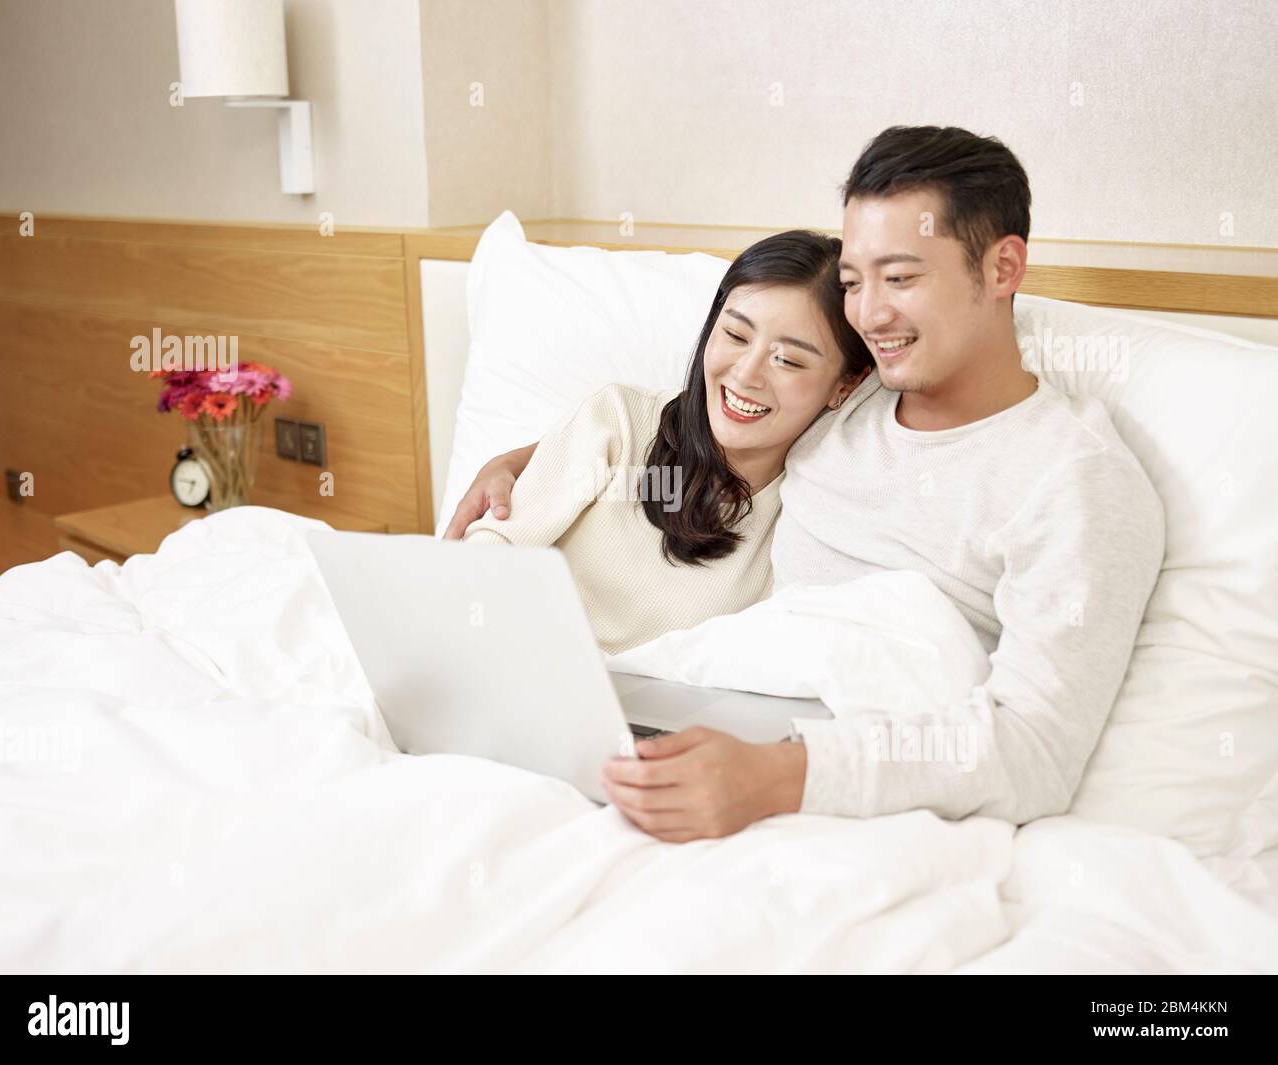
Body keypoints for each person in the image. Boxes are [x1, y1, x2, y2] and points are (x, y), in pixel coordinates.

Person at [447, 126, 1166, 845]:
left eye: (903, 278)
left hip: (841, 782)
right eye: (855, 281)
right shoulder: (852, 397)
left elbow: (1035, 752)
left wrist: (777, 776)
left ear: (1003, 266)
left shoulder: (1077, 481)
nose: (872, 314)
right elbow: (710, 404)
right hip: (694, 718)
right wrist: (520, 461)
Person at [459, 229, 872, 656]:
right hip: (515, 669)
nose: (747, 374)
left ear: (845, 385)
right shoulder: (617, 422)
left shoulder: (807, 523)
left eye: (787, 359)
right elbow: (483, 564)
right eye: (735, 336)